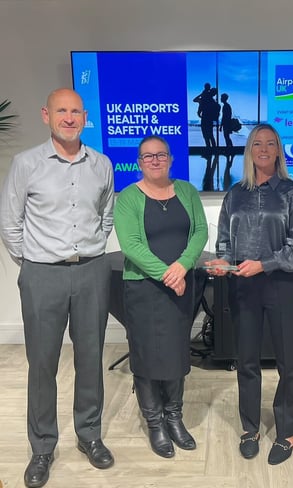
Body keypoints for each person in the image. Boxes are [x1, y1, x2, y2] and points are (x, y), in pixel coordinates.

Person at [0, 88, 115, 488]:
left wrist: (89, 252)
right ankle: (42, 447)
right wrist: (34, 262)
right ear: (46, 115)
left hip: (91, 272)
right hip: (42, 275)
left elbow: (105, 217)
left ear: (85, 117)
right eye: (61, 111)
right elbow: (11, 223)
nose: (69, 118)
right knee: (42, 363)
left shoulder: (101, 164)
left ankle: (90, 435)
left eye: (75, 112)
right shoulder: (26, 163)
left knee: (91, 358)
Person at [205, 123, 293, 465]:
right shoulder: (235, 193)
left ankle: (287, 431)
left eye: (270, 144)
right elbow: (224, 239)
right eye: (256, 143)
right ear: (248, 150)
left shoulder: (292, 193)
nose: (263, 149)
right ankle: (250, 428)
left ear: (278, 151)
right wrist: (223, 261)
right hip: (243, 287)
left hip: (281, 286)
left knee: (288, 363)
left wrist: (263, 265)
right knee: (246, 361)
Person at [113, 135, 208, 459]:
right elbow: (131, 245)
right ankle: (154, 423)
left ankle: (174, 417)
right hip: (144, 289)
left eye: (161, 155)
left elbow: (200, 232)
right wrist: (168, 275)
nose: (155, 160)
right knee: (146, 356)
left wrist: (182, 267)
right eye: (148, 156)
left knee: (177, 353)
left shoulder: (187, 191)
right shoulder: (128, 197)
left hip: (181, 286)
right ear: (139, 163)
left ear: (170, 159)